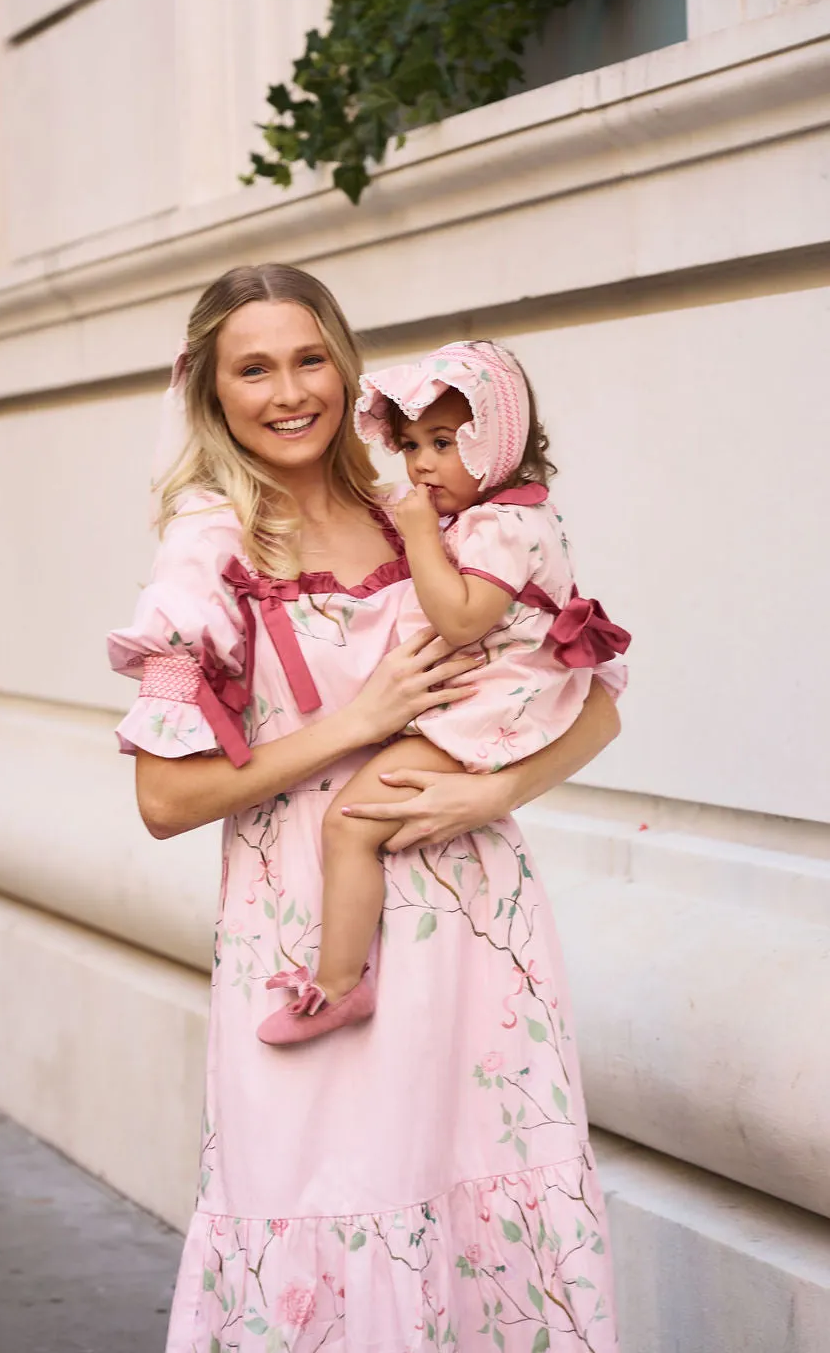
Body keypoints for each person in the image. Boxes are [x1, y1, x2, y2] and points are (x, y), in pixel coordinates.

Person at [108, 264, 623, 1352]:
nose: (289, 391)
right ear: (210, 391)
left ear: (345, 368)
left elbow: (595, 701)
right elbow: (162, 797)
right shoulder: (210, 552)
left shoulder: (432, 511)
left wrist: (492, 788)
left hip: (476, 928)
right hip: (313, 942)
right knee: (329, 1207)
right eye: (253, 368)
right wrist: (353, 724)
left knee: (483, 1208)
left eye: (309, 360)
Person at [259, 340, 629, 1045]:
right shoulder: (508, 519)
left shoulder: (499, 526)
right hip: (483, 707)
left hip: (486, 714)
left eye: (444, 443)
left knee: (350, 824)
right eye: (410, 445)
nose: (422, 464)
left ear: (500, 442)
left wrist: (421, 536)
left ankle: (338, 984)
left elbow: (461, 621)